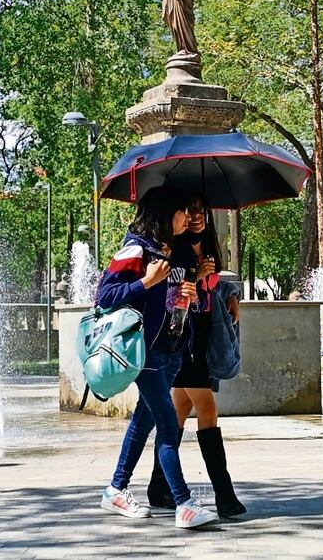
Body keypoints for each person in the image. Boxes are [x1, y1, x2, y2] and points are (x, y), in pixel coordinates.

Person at [96, 186, 219, 529]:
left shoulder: (178, 251)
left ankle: (115, 489)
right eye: (182, 211)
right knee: (167, 424)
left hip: (174, 348)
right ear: (165, 215)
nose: (188, 218)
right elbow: (105, 297)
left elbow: (182, 302)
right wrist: (145, 283)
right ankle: (184, 503)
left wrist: (193, 291)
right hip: (145, 351)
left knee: (143, 421)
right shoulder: (135, 249)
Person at [148, 196, 247, 518]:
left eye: (201, 210)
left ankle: (158, 486)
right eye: (188, 210)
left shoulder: (207, 249)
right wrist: (194, 281)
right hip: (181, 341)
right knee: (207, 408)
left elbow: (212, 290)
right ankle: (225, 495)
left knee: (180, 410)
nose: (195, 216)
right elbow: (172, 300)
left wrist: (227, 293)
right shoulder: (173, 251)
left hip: (203, 339)